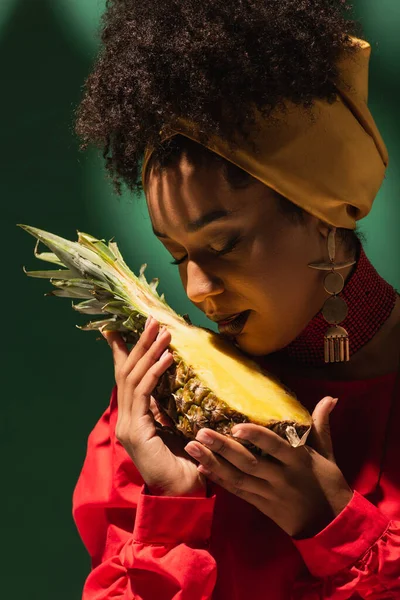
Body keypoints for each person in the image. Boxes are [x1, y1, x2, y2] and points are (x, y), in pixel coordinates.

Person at [72, 1, 400, 598]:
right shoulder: (151, 423)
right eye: (177, 256)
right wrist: (170, 507)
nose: (196, 292)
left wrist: (335, 528)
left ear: (324, 212)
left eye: (223, 244)